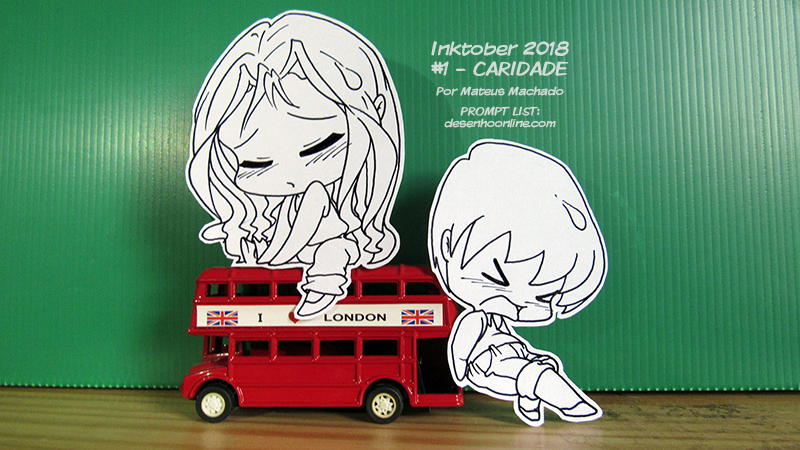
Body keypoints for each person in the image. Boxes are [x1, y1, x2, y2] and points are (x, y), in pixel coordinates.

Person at [187, 11, 403, 319]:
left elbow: (337, 239)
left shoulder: (334, 204)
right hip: (276, 269)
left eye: (321, 146)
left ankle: (326, 286)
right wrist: (238, 229)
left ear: (373, 115)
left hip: (330, 250)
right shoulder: (261, 214)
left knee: (333, 250)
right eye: (255, 164)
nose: (290, 178)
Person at [428, 139, 607, 426]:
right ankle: (571, 404)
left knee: (541, 365)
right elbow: (461, 347)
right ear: (448, 246)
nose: (519, 304)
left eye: (543, 296)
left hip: (514, 354)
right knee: (534, 375)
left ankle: (530, 402)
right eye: (496, 278)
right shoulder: (476, 320)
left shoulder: (498, 321)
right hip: (488, 365)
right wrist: (460, 371)